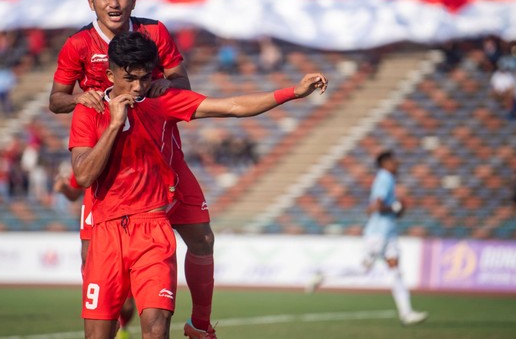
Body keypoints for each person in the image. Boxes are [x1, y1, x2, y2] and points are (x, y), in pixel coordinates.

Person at [70, 31, 327, 339]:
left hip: (152, 229)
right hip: (106, 232)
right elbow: (84, 176)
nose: (139, 87)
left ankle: (199, 325)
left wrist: (293, 93)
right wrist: (114, 124)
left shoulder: (161, 100)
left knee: (155, 331)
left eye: (145, 77)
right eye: (130, 79)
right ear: (110, 74)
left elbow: (232, 106)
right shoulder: (89, 110)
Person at [48, 0, 209, 338]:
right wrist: (80, 98)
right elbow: (55, 100)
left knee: (201, 237)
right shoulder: (77, 44)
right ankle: (116, 323)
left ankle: (201, 324)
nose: (114, 3)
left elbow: (181, 80)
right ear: (92, 2)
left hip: (155, 149)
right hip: (106, 150)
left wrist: (162, 87)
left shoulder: (154, 31)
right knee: (94, 256)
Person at [363, 150, 428, 326]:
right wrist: (395, 207)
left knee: (396, 271)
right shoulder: (384, 177)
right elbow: (377, 205)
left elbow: (377, 208)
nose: (397, 163)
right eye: (393, 160)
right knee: (364, 268)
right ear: (385, 163)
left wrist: (396, 209)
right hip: (379, 232)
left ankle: (406, 313)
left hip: (388, 231)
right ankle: (324, 274)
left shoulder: (388, 178)